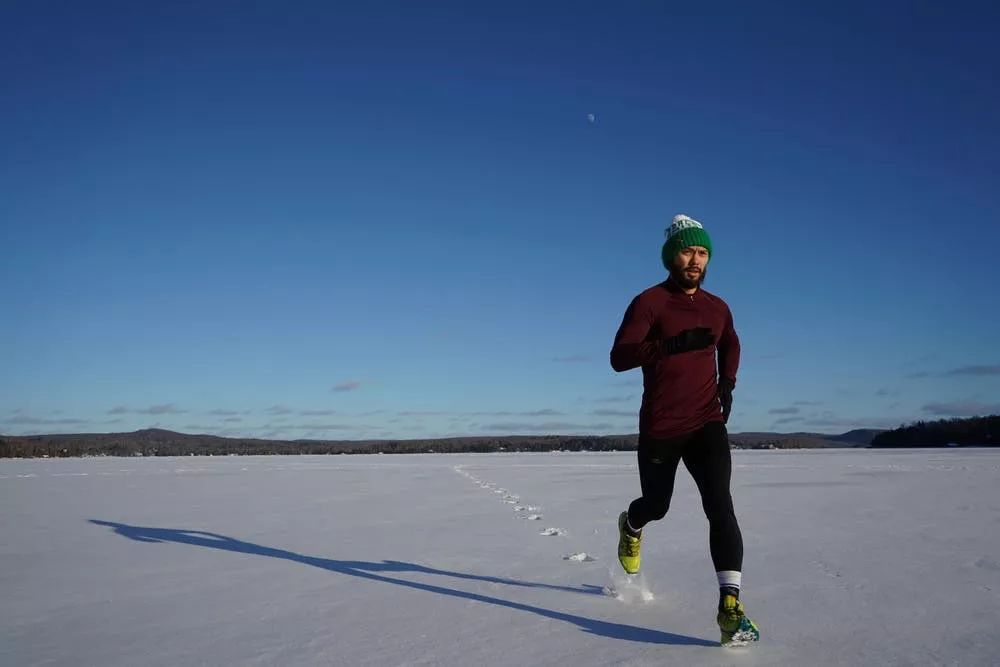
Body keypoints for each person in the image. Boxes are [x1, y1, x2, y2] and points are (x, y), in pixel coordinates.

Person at [609, 213, 759, 646]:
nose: (696, 259)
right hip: (661, 425)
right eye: (688, 251)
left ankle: (730, 605)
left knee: (720, 505)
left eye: (703, 252)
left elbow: (730, 340)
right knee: (657, 504)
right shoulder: (649, 302)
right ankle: (632, 525)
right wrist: (669, 346)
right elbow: (619, 356)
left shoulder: (717, 307)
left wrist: (727, 383)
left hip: (706, 421)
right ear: (671, 256)